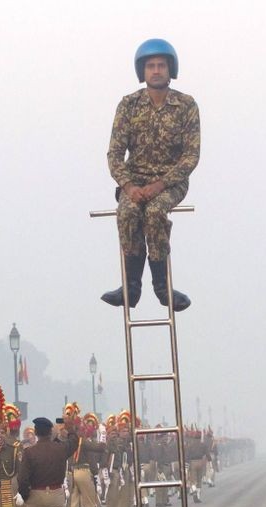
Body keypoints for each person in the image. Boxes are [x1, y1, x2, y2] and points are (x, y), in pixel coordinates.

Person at [102, 38, 200, 312]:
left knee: (155, 212)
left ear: (171, 70)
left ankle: (162, 287)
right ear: (142, 72)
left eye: (161, 66)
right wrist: (129, 185)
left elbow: (191, 156)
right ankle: (130, 287)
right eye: (151, 66)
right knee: (128, 213)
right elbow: (114, 153)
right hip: (135, 181)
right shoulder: (129, 105)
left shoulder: (187, 106)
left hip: (170, 182)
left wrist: (161, 184)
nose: (156, 71)